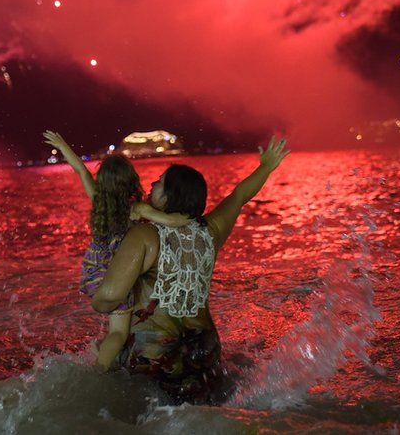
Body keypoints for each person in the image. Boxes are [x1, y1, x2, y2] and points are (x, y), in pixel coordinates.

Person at [93, 136, 291, 404]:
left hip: (156, 356)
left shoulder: (144, 235)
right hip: (204, 350)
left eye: (160, 182)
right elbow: (240, 195)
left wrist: (99, 303)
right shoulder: (211, 231)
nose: (152, 185)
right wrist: (266, 167)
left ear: (171, 196)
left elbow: (109, 295)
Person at [43, 130, 189, 370]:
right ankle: (98, 370)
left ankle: (102, 362)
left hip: (93, 273)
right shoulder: (138, 209)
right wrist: (192, 220)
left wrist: (62, 144)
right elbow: (171, 221)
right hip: (117, 274)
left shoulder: (98, 201)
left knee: (116, 330)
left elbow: (80, 169)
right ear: (131, 180)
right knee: (118, 333)